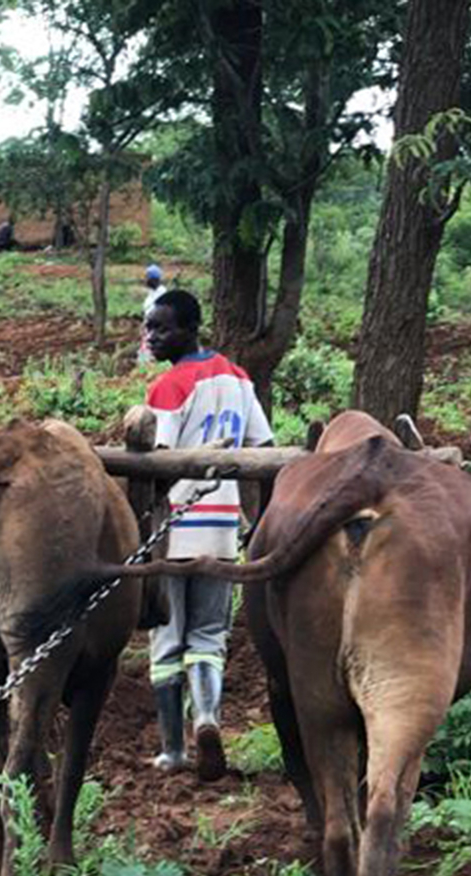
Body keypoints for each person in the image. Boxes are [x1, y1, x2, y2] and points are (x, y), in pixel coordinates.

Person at [142, 287, 273, 780]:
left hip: (173, 530)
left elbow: (157, 461)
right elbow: (263, 448)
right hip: (221, 528)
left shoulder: (170, 387)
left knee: (167, 639)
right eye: (149, 327)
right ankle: (208, 717)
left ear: (190, 328)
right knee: (209, 635)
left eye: (162, 327)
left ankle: (174, 751)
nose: (151, 337)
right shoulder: (238, 378)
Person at [136, 264, 165, 365]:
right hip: (148, 331)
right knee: (144, 358)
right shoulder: (150, 295)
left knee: (151, 358)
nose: (145, 280)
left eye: (147, 278)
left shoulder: (162, 294)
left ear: (154, 280)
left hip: (156, 331)